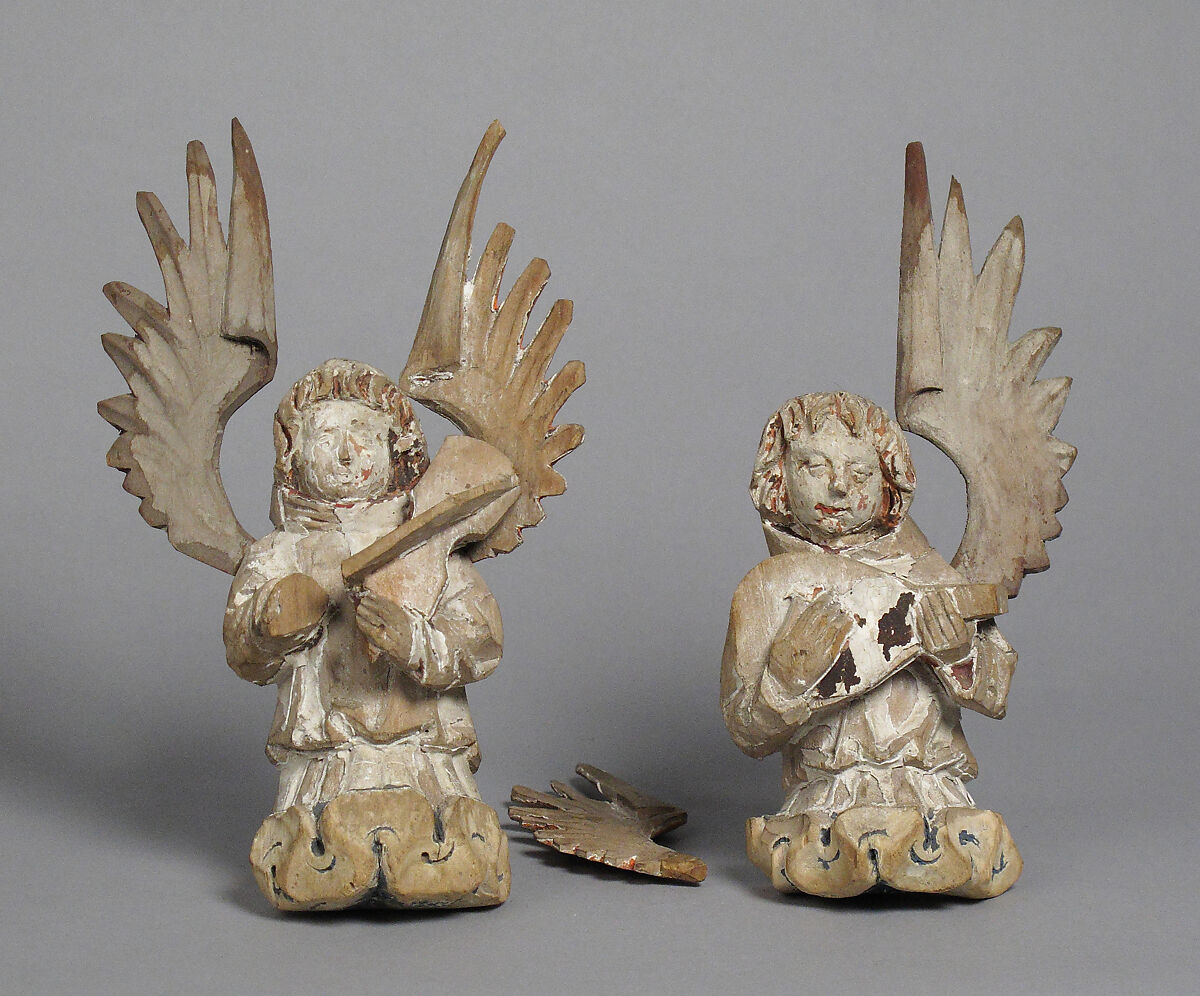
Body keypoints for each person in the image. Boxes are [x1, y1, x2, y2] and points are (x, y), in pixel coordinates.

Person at [224, 358, 509, 910]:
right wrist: (273, 626)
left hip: (423, 752)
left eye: (364, 433)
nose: (346, 452)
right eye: (325, 435)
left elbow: (480, 636)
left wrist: (419, 642)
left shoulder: (429, 543)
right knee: (315, 852)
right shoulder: (279, 554)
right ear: (293, 453)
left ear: (396, 448)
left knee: (450, 846)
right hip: (328, 753)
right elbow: (244, 653)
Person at [721, 391, 1022, 898]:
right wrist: (784, 682)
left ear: (888, 483)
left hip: (927, 783)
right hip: (827, 789)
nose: (839, 486)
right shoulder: (769, 590)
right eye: (814, 466)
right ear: (777, 477)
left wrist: (956, 656)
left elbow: (995, 692)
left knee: (949, 845)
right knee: (820, 851)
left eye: (860, 472)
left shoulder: (926, 575)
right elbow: (746, 731)